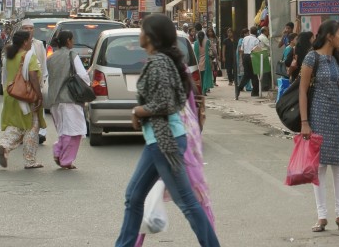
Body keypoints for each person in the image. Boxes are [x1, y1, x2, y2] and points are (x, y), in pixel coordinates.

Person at [115, 15, 221, 247]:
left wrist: (138, 111)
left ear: (152, 36)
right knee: (133, 197)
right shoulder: (162, 61)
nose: (139, 33)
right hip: (160, 139)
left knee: (187, 203)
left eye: (142, 29)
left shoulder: (160, 63)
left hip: (165, 141)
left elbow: (165, 104)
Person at [299, 21, 339, 233]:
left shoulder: (337, 59)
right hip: (318, 118)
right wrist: (305, 122)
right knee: (319, 168)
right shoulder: (312, 57)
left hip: (338, 119)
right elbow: (302, 91)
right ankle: (322, 216)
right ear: (329, 36)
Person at [0, 30, 44, 169]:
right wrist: (39, 95)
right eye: (30, 40)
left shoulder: (8, 57)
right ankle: (29, 160)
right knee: (32, 127)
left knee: (16, 125)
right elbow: (33, 76)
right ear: (24, 42)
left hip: (11, 96)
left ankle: (5, 145)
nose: (31, 42)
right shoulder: (29, 56)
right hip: (26, 97)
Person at [45, 30, 90, 169]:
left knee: (64, 130)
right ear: (69, 40)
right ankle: (64, 157)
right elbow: (83, 76)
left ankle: (60, 153)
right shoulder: (72, 55)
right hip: (70, 98)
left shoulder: (51, 58)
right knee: (75, 131)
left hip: (54, 99)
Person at [20, 20, 49, 144]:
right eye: (25, 28)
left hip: (37, 79)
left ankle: (40, 133)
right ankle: (23, 132)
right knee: (23, 108)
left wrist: (43, 78)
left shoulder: (38, 44)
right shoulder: (17, 44)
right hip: (22, 82)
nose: (28, 30)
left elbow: (43, 62)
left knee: (38, 105)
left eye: (30, 28)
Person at [237, 26, 260, 99]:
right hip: (252, 56)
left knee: (247, 74)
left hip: (245, 56)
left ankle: (239, 88)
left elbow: (242, 49)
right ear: (256, 32)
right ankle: (255, 91)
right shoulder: (256, 40)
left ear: (250, 32)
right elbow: (257, 50)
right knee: (254, 74)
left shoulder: (245, 38)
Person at [195, 28, 215, 95]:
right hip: (206, 62)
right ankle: (204, 91)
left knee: (200, 78)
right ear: (204, 35)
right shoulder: (207, 42)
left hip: (199, 62)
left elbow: (195, 53)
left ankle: (201, 91)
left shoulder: (196, 43)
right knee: (205, 77)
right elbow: (211, 52)